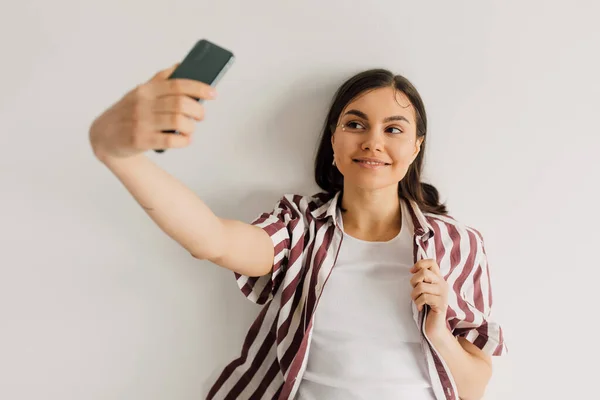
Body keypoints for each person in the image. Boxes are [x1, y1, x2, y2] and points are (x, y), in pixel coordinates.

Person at [89, 64, 506, 400]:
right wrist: (119, 155)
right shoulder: (300, 227)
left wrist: (439, 333)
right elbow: (211, 240)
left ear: (415, 147)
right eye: (355, 124)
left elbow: (472, 390)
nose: (373, 142)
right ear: (334, 139)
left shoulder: (458, 244)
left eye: (393, 129)